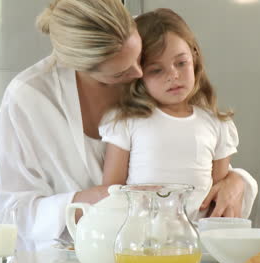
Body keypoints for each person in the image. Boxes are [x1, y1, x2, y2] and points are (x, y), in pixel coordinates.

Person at [0, 0, 257, 251]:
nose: (139, 74)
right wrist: (107, 198)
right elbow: (13, 213)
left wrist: (237, 182)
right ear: (78, 67)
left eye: (140, 58)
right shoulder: (30, 99)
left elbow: (194, 157)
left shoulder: (154, 49)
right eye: (120, 74)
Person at [100, 8, 243, 221]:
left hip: (199, 241)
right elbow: (110, 194)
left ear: (194, 57)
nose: (173, 75)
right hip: (143, 239)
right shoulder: (126, 121)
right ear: (138, 74)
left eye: (181, 63)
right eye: (156, 70)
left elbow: (221, 199)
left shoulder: (217, 123)